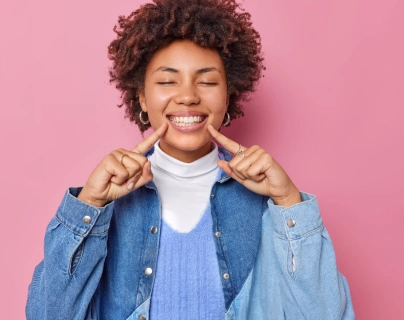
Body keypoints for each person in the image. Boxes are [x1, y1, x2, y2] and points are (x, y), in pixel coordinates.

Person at [26, 0, 355, 319]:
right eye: (167, 81)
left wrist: (288, 202)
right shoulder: (105, 204)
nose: (187, 96)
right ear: (141, 95)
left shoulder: (269, 206)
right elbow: (47, 314)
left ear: (229, 95)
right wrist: (89, 206)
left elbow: (326, 314)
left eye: (208, 81)